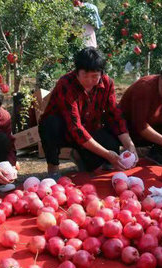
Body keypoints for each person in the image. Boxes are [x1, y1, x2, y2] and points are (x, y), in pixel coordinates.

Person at [38, 47, 137, 178]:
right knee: (50, 124)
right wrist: (107, 154)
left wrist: (129, 145)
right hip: (64, 131)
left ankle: (80, 155)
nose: (90, 81)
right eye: (85, 75)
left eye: (95, 76)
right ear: (77, 72)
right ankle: (53, 168)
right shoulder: (66, 84)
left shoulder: (107, 84)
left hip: (89, 130)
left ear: (101, 73)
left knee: (112, 143)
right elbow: (75, 128)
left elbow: (115, 115)